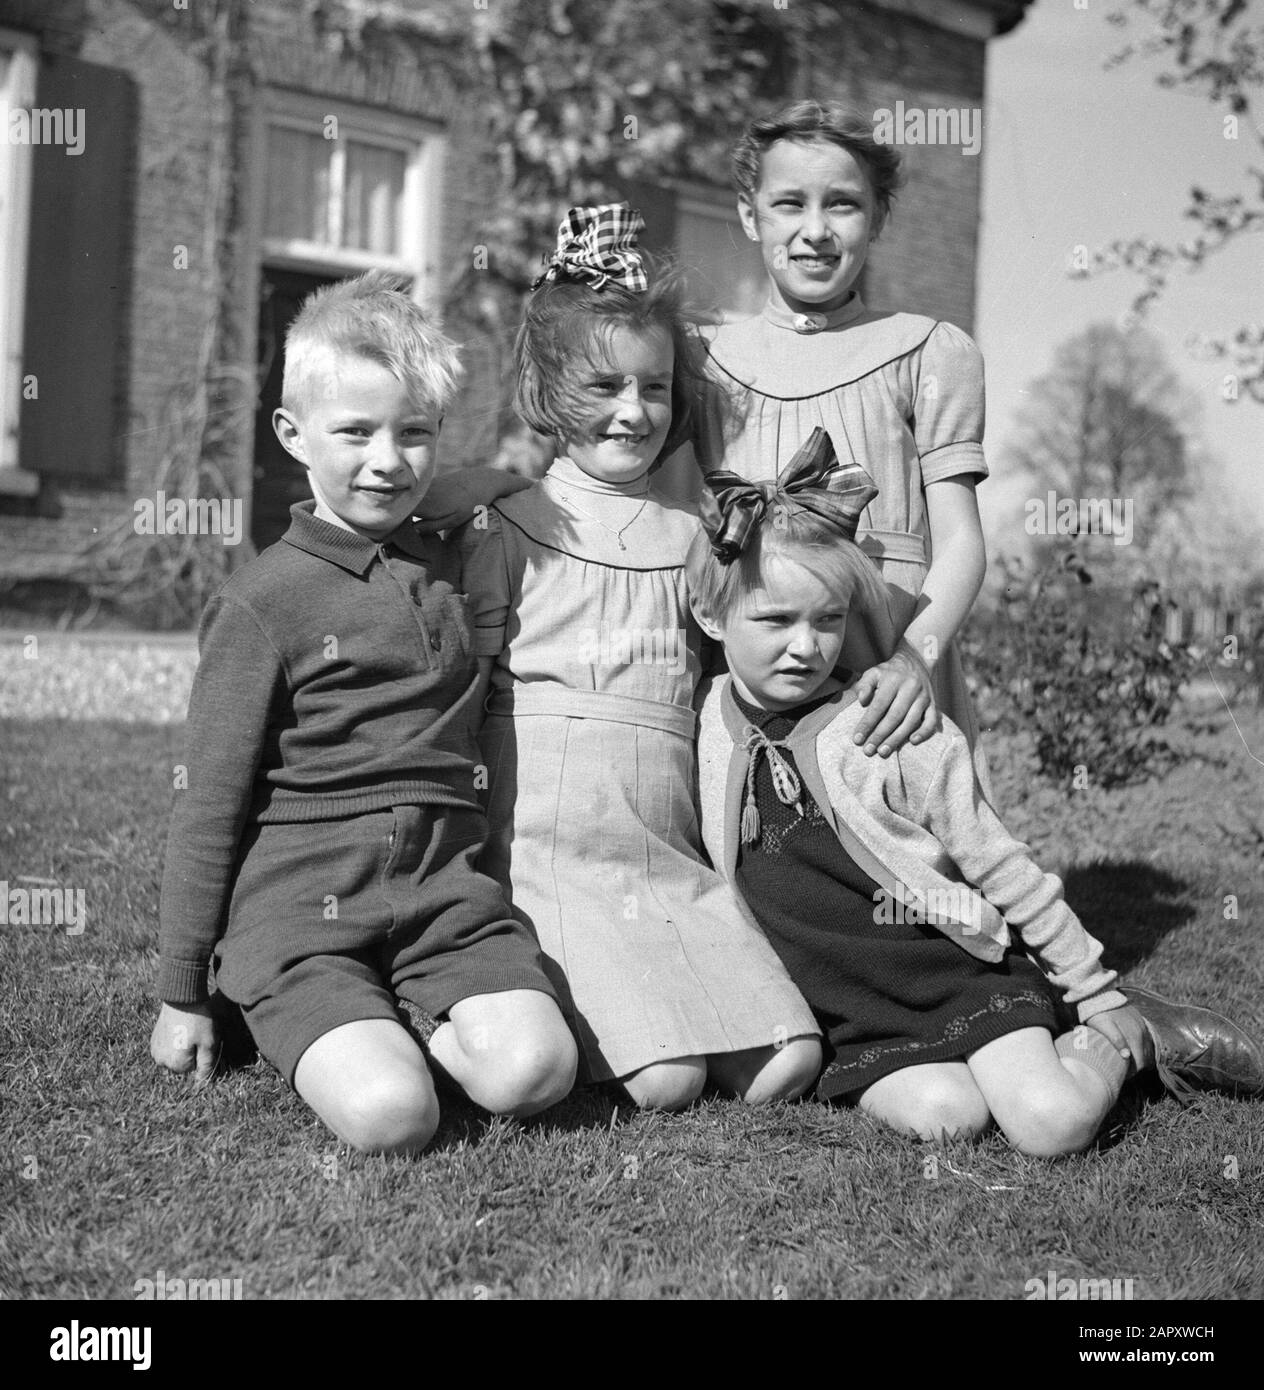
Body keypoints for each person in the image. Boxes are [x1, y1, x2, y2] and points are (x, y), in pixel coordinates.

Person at [687, 437, 1264, 1154]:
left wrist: (1096, 989)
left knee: (1051, 1126)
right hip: (846, 1011)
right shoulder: (701, 725)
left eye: (827, 620)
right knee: (945, 1116)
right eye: (775, 621)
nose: (806, 646)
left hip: (954, 972)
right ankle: (1011, 1055)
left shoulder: (883, 728)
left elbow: (1003, 865)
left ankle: (1122, 1037)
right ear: (712, 619)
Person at [150, 270, 576, 1154]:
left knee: (538, 1071)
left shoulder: (455, 562)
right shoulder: (265, 600)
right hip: (302, 915)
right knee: (394, 1118)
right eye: (355, 433)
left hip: (445, 904)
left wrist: (464, 484)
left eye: (415, 434)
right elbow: (208, 805)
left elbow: (503, 481)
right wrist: (181, 988)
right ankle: (307, 1014)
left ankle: (407, 1016)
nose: (388, 461)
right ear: (291, 435)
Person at [457, 205, 821, 1110]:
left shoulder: (699, 539)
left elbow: (742, 666)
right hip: (555, 856)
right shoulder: (510, 529)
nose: (633, 410)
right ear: (546, 391)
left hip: (666, 851)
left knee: (786, 1062)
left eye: (654, 388)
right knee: (666, 1080)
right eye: (605, 385)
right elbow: (461, 700)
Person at [683, 99, 990, 779]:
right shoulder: (704, 364)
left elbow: (962, 540)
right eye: (789, 204)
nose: (815, 231)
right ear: (748, 213)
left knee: (912, 853)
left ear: (878, 215)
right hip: (757, 677)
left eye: (843, 205)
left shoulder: (927, 351)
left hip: (891, 677)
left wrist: (916, 659)